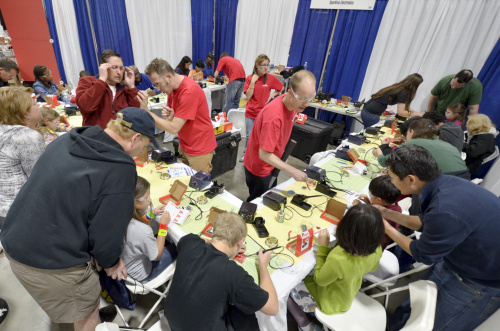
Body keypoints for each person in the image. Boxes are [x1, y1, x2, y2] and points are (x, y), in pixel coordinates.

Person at [0, 107, 159, 331]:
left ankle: (89, 309)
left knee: (85, 304)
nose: (145, 149)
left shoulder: (69, 139)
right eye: (146, 144)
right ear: (135, 138)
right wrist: (112, 262)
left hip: (15, 237)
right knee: (84, 314)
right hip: (48, 260)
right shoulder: (120, 168)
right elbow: (106, 235)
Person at [374, 145, 500, 331]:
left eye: (392, 178)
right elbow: (427, 223)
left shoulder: (445, 208)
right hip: (456, 259)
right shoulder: (444, 183)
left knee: (433, 325)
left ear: (410, 179)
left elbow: (422, 253)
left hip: (479, 282)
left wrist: (385, 227)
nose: (391, 183)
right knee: (412, 307)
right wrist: (387, 213)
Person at [164, 212, 278, 330]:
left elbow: (200, 240)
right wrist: (263, 265)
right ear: (240, 241)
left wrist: (226, 247)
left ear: (213, 231)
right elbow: (273, 308)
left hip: (173, 320)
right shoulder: (234, 273)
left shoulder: (190, 241)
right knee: (244, 312)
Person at [287, 204, 384, 331]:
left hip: (330, 302)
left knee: (285, 290)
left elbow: (320, 280)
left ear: (344, 228)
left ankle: (305, 325)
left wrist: (323, 247)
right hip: (348, 292)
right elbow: (371, 268)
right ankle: (309, 317)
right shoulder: (377, 249)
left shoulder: (339, 257)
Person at [244, 70, 314, 201]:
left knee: (268, 197)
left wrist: (281, 155)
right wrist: (292, 170)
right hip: (260, 167)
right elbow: (264, 154)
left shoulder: (292, 105)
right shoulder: (274, 116)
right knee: (257, 202)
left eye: (310, 98)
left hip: (271, 163)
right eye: (302, 98)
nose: (306, 104)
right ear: (290, 92)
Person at [145, 58, 216, 173]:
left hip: (199, 148)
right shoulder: (171, 90)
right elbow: (177, 121)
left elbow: (173, 128)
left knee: (199, 186)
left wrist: (147, 112)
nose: (158, 89)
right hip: (185, 144)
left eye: (158, 84)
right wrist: (173, 116)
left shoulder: (189, 91)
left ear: (168, 77)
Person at [0, 86, 44, 228]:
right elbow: (40, 179)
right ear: (25, 114)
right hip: (19, 211)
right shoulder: (26, 136)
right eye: (34, 105)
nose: (38, 106)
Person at [121, 176, 177, 282]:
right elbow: (156, 256)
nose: (150, 200)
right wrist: (163, 226)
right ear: (135, 201)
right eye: (147, 197)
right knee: (180, 245)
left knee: (163, 239)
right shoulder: (142, 230)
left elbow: (139, 222)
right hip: (142, 273)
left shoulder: (122, 214)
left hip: (126, 265)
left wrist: (151, 214)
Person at [374, 118, 469, 178]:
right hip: (464, 177)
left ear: (412, 132)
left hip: (445, 181)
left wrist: (379, 153)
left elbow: (385, 162)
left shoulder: (413, 143)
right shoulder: (443, 142)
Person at [76, 49, 140, 128]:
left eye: (121, 68)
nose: (119, 72)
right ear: (103, 67)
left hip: (120, 137)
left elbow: (137, 114)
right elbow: (86, 106)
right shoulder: (87, 82)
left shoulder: (124, 89)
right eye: (114, 67)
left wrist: (131, 87)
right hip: (96, 138)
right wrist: (101, 79)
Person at [240, 54, 284, 162]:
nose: (266, 67)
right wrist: (253, 82)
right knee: (249, 136)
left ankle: (258, 156)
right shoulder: (250, 78)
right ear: (257, 65)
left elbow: (281, 88)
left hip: (264, 114)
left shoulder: (270, 78)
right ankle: (246, 154)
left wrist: (271, 96)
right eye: (263, 65)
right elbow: (248, 96)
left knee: (262, 137)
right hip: (251, 113)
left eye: (267, 65)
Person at [353, 175, 402, 249]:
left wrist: (358, 208)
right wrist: (369, 203)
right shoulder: (397, 208)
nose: (370, 197)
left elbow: (363, 227)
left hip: (366, 249)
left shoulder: (382, 220)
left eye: (371, 195)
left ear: (379, 200)